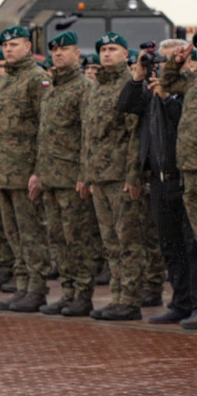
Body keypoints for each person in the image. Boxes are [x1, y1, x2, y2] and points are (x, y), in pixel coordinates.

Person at [30, 31, 103, 317]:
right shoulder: (52, 88)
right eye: (55, 50)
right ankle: (68, 291)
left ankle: (82, 295)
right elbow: (44, 136)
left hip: (72, 176)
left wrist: (85, 174)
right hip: (50, 175)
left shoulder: (83, 88)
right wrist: (37, 172)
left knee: (78, 239)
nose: (58, 54)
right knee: (57, 239)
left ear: (78, 54)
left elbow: (88, 135)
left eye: (65, 49)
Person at [0, 25, 50, 313]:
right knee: (12, 234)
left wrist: (39, 170)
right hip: (2, 170)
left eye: (14, 44)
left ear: (27, 46)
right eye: (5, 45)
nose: (8, 49)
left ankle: (36, 288)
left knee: (30, 232)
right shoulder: (3, 81)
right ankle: (21, 286)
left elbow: (45, 129)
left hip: (24, 172)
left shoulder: (37, 79)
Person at [80, 31, 145, 320]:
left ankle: (129, 299)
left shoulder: (128, 86)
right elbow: (88, 136)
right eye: (103, 49)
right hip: (99, 176)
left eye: (113, 49)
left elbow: (134, 136)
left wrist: (133, 176)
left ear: (125, 54)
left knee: (127, 240)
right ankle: (117, 296)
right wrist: (86, 174)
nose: (106, 54)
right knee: (110, 242)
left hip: (120, 176)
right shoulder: (95, 88)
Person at [148, 38, 197, 329]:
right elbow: (167, 82)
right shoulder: (192, 82)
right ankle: (185, 303)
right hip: (189, 169)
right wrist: (175, 62)